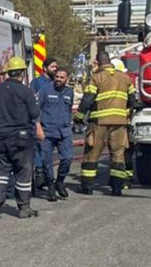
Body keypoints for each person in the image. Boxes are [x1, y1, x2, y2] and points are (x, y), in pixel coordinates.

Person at [0, 56, 41, 221]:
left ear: (7, 72)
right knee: (23, 171)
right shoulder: (26, 91)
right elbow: (34, 113)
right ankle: (24, 207)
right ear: (22, 73)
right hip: (20, 138)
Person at [78, 56, 139, 196]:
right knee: (118, 154)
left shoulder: (96, 77)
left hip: (99, 121)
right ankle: (117, 188)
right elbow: (132, 99)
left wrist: (79, 117)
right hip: (120, 122)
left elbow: (88, 99)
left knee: (92, 154)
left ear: (99, 62)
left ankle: (87, 187)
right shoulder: (125, 78)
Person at [36, 67, 75, 202]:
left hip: (64, 132)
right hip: (47, 131)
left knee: (68, 158)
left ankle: (60, 181)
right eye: (57, 76)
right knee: (47, 161)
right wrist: (38, 127)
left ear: (67, 79)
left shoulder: (69, 92)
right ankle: (51, 186)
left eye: (61, 77)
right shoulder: (45, 91)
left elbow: (69, 110)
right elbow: (36, 110)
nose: (58, 79)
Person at [29, 57, 59, 195]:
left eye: (56, 67)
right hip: (40, 122)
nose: (55, 69)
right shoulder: (36, 83)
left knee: (47, 151)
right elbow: (32, 102)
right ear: (45, 68)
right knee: (38, 148)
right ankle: (40, 173)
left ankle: (47, 176)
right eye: (52, 67)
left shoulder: (56, 82)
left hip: (52, 123)